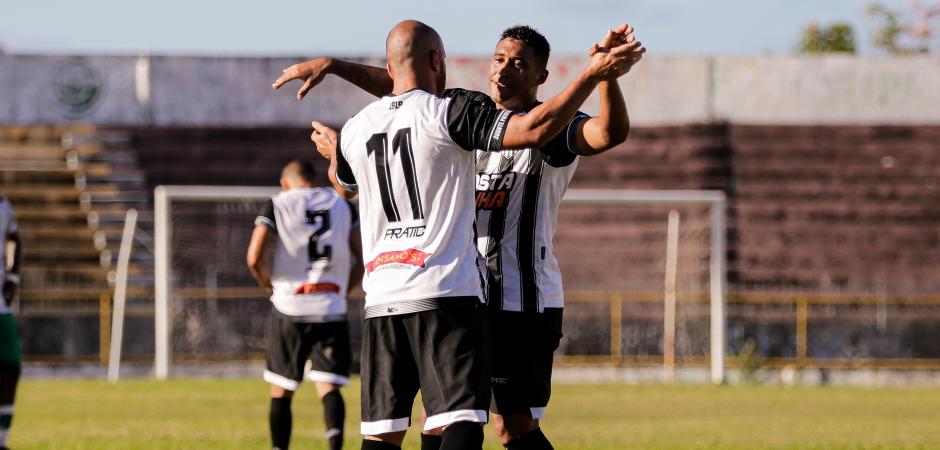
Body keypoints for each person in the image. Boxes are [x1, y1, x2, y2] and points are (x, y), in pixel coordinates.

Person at [275, 24, 643, 450]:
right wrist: (337, 67)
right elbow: (407, 89)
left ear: (542, 76)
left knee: (511, 424)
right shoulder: (470, 121)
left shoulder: (552, 124)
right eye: (499, 59)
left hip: (517, 296)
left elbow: (608, 134)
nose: (504, 70)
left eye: (520, 63)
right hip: (462, 291)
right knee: (440, 417)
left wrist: (605, 77)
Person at [247, 160, 363, 450]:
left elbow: (253, 257)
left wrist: (268, 284)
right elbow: (361, 259)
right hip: (330, 305)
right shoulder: (342, 204)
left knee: (282, 388)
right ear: (312, 179)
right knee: (329, 385)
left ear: (285, 182)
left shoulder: (278, 203)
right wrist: (342, 291)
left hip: (290, 305)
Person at [0, 195, 22, 450]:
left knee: (10, 367)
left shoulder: (4, 205)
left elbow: (15, 238)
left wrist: (13, 277)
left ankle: (2, 440)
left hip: (0, 308)